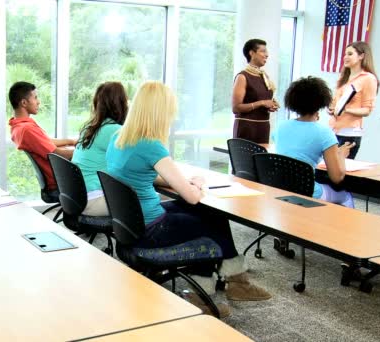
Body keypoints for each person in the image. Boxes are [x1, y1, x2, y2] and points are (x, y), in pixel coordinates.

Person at [106, 81, 271, 317]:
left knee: (208, 215)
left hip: (132, 223)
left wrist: (181, 183)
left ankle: (232, 280)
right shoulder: (151, 146)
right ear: (160, 112)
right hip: (150, 230)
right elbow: (193, 198)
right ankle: (224, 286)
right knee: (211, 222)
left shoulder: (119, 137)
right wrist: (197, 184)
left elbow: (140, 177)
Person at [275, 77, 355, 207]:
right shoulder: (324, 132)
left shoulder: (280, 127)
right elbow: (337, 177)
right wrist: (341, 154)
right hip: (308, 192)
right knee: (346, 195)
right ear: (321, 102)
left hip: (280, 188)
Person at [8, 81, 76, 195]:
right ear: (24, 102)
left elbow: (46, 142)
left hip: (57, 178)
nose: (38, 102)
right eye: (35, 98)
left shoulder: (18, 126)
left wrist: (71, 141)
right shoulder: (27, 130)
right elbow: (57, 154)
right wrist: (85, 151)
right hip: (60, 182)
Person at [72, 82, 127, 216]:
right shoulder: (115, 131)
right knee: (154, 201)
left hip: (77, 197)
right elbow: (139, 169)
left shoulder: (89, 128)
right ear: (120, 104)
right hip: (94, 199)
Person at [328, 41, 379, 159]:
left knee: (341, 172)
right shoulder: (343, 77)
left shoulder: (368, 79)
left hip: (349, 133)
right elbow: (335, 103)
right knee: (327, 169)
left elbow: (367, 110)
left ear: (361, 56)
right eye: (345, 54)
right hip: (332, 130)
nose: (345, 57)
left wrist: (346, 109)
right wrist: (332, 109)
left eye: (350, 54)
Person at [232, 38, 279, 143]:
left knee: (261, 159)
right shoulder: (242, 76)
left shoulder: (264, 77)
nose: (267, 55)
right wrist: (262, 103)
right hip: (247, 128)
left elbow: (262, 102)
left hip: (263, 127)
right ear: (252, 53)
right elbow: (236, 108)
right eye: (263, 51)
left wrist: (270, 105)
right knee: (245, 159)